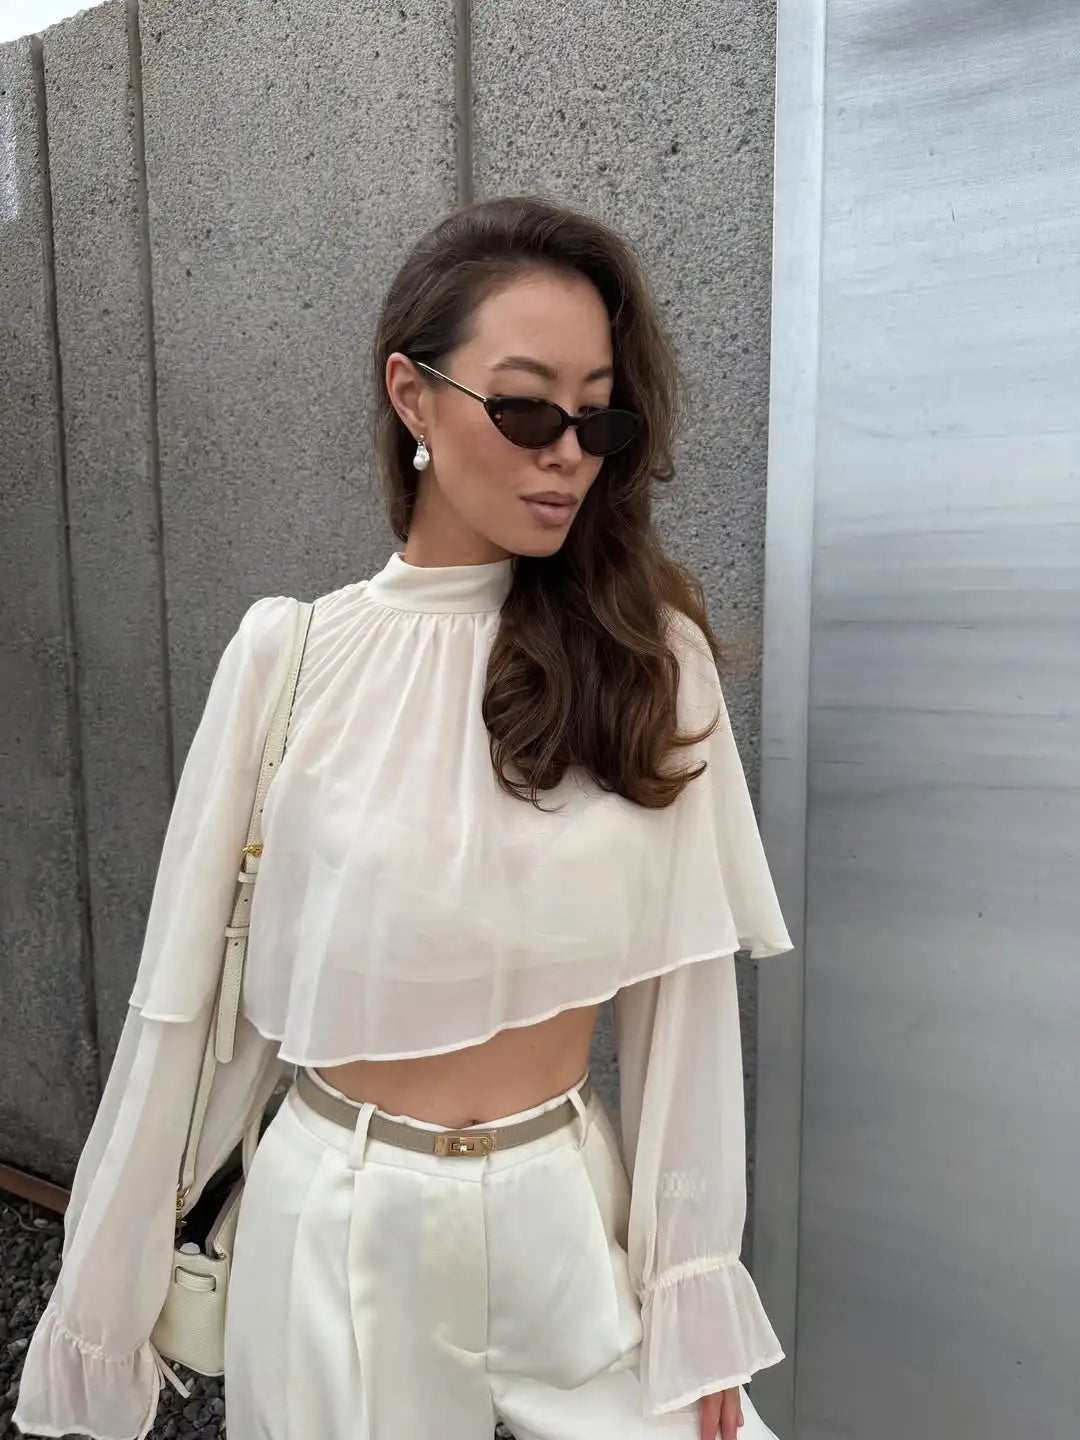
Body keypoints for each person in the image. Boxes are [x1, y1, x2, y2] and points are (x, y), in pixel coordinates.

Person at [13, 196, 794, 1440]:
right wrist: (104, 1307)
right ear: (413, 397)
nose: (567, 453)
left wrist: (690, 1288)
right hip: (337, 1219)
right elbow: (185, 1008)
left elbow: (683, 1004)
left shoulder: (648, 660)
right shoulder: (291, 658)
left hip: (563, 1214)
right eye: (526, 408)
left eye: (599, 418)